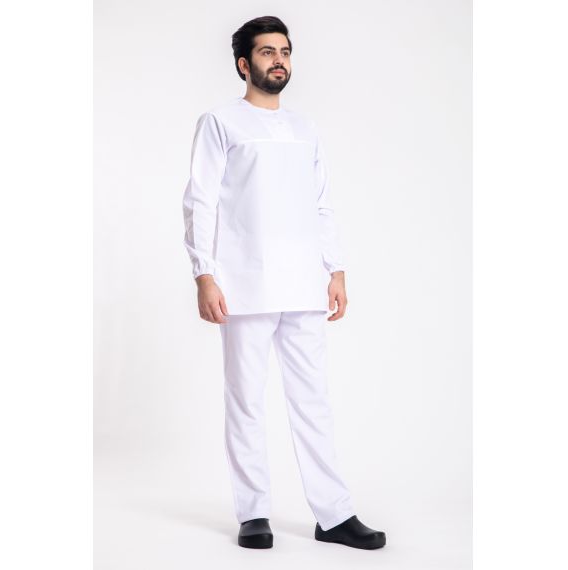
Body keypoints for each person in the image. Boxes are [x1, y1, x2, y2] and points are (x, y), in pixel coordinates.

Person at [182, 15, 386, 550]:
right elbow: (200, 200)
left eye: (286, 51)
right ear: (243, 64)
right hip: (243, 284)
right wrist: (204, 274)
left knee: (313, 401)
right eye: (268, 52)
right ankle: (253, 513)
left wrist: (335, 269)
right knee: (246, 401)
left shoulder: (304, 128)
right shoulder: (220, 122)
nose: (279, 60)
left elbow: (321, 203)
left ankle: (334, 514)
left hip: (304, 284)